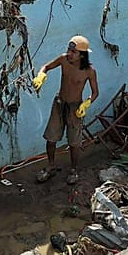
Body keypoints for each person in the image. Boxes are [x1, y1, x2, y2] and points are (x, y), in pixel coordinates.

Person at [33, 35, 99, 185]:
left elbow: (95, 92)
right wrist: (41, 75)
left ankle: (74, 170)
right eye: (69, 50)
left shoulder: (89, 70)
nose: (69, 53)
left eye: (73, 52)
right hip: (59, 103)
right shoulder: (63, 60)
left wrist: (86, 104)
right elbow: (46, 66)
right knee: (51, 138)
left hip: (75, 107)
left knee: (74, 142)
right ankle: (50, 166)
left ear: (82, 54)